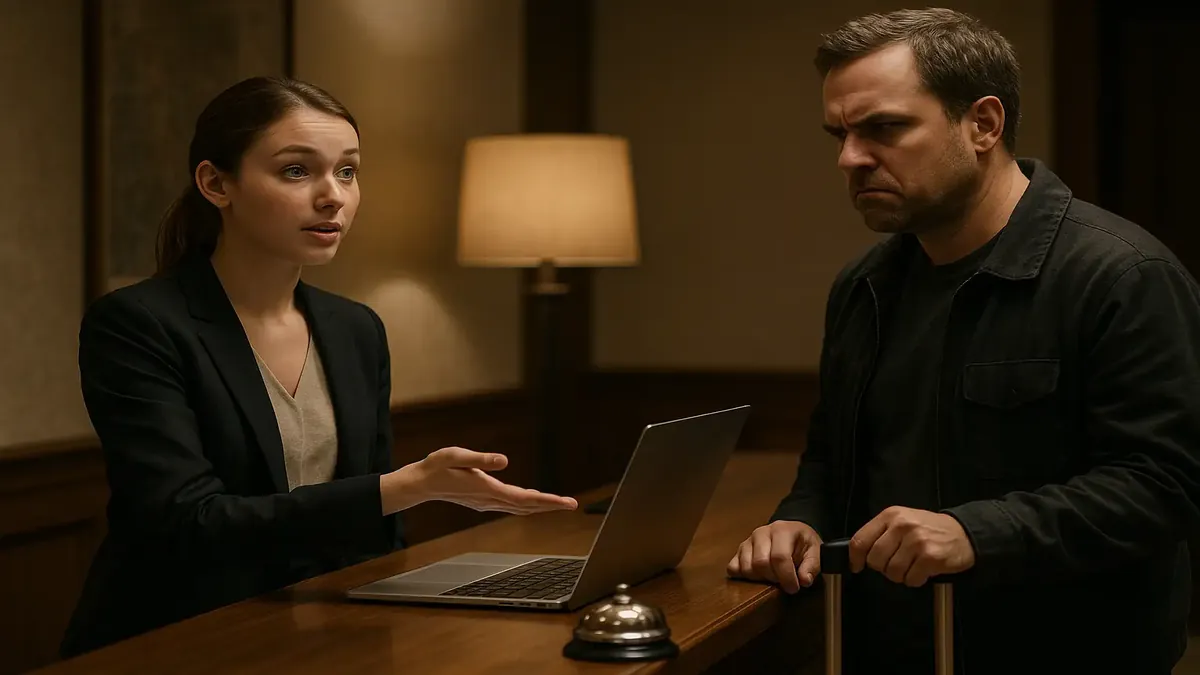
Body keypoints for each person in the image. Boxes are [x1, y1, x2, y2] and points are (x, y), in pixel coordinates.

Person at [727, 8, 1200, 675]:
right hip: (889, 646)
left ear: (983, 123)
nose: (850, 159)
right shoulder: (865, 285)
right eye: (838, 134)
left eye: (883, 128)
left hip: (1067, 650)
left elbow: (1163, 486)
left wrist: (976, 532)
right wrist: (796, 519)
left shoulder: (1120, 273)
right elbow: (832, 461)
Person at [61, 76, 578, 658]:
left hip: (327, 632)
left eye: (348, 171)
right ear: (215, 183)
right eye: (296, 171)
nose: (333, 195)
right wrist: (406, 487)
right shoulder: (138, 323)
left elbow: (376, 536)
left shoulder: (355, 329)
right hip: (179, 637)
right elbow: (190, 523)